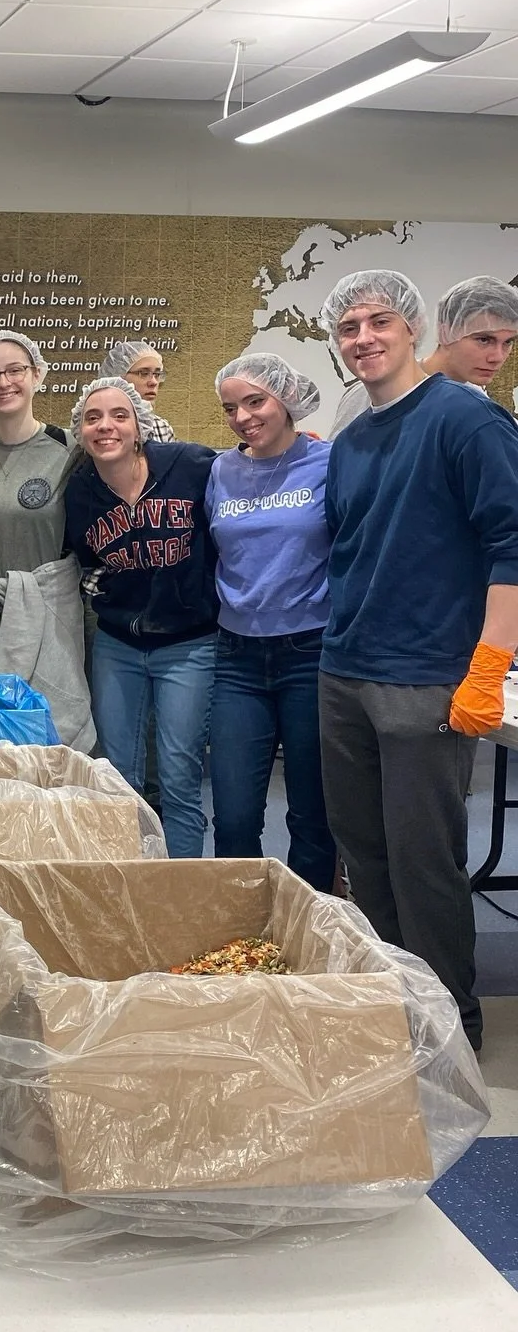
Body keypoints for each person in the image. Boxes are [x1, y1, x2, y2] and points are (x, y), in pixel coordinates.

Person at [316, 268, 518, 1053]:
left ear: (411, 328)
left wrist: (489, 663)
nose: (363, 338)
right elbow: (353, 549)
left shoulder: (467, 421)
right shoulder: (354, 438)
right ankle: (391, 1000)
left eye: (377, 322)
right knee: (364, 852)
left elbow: (511, 545)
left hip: (426, 676)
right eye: (348, 328)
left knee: (423, 858)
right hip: (345, 669)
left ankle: (446, 1025)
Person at [64, 376, 219, 858]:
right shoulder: (80, 491)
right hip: (119, 644)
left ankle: (183, 888)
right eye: (93, 418)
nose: (105, 426)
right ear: (81, 431)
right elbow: (83, 558)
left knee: (178, 775)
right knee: (118, 775)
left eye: (118, 415)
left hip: (190, 644)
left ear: (139, 426)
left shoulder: (189, 465)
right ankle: (130, 884)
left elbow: (251, 470)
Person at [205, 352, 336, 888]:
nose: (242, 418)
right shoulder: (222, 470)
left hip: (311, 654)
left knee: (311, 814)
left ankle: (311, 936)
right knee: (234, 816)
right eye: (231, 408)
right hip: (237, 657)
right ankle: (241, 935)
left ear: (285, 398)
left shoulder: (328, 463)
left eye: (254, 401)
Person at [0, 329, 92, 750]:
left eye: (15, 370)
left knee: (54, 732)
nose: (4, 383)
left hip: (52, 608)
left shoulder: (70, 450)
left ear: (36, 375)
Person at [329, 273, 518, 434]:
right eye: (484, 340)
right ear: (446, 331)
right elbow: (334, 469)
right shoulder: (374, 392)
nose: (497, 357)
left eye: (508, 342)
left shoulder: (478, 409)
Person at [103, 340, 177, 442]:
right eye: (144, 373)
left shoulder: (162, 427)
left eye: (157, 374)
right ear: (118, 377)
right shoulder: (100, 426)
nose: (154, 382)